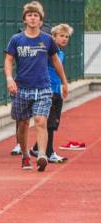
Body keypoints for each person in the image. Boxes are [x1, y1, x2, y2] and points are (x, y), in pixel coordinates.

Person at [5, 1, 67, 172]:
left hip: (43, 88)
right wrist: (9, 78)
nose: (33, 18)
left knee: (40, 121)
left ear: (41, 20)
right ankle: (25, 155)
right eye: (29, 15)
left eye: (36, 15)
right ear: (24, 19)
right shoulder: (16, 39)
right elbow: (8, 60)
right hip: (22, 88)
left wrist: (64, 82)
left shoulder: (47, 40)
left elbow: (56, 61)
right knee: (23, 124)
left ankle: (41, 155)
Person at [44, 22, 77, 163]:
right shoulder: (49, 52)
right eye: (61, 36)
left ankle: (36, 147)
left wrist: (63, 85)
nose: (64, 39)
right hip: (48, 90)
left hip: (57, 90)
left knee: (54, 122)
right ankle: (49, 152)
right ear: (54, 36)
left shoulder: (61, 53)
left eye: (67, 36)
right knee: (50, 123)